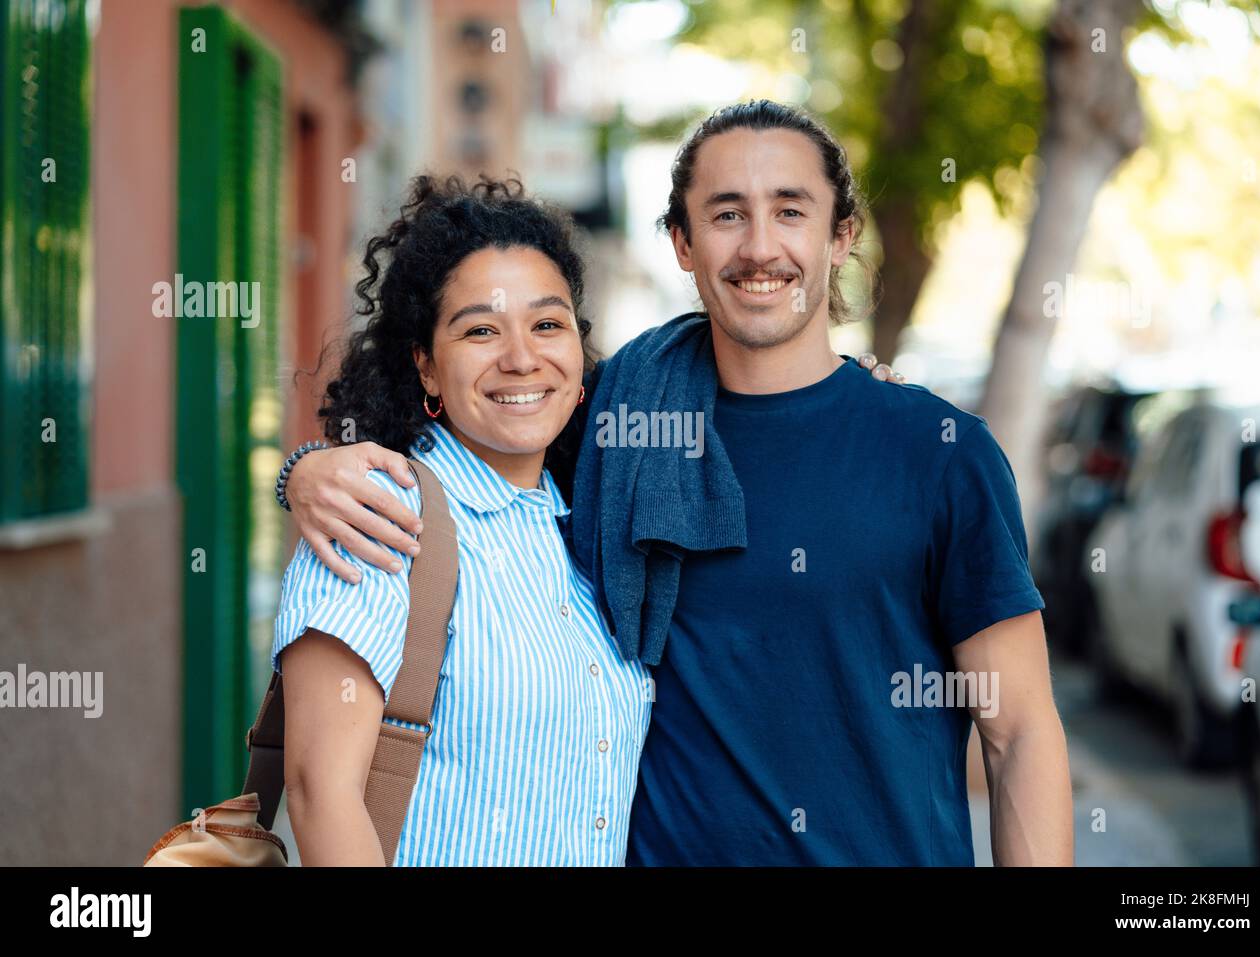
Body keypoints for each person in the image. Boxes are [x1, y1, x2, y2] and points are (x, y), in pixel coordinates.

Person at [281, 101, 1073, 866]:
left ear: (843, 236)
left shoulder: (939, 453)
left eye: (791, 211)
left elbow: (1021, 733)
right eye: (727, 213)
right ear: (682, 243)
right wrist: (306, 473)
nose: (760, 247)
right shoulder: (619, 432)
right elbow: (487, 432)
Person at [273, 173, 652, 866]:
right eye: (480, 329)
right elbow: (317, 792)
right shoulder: (382, 513)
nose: (521, 357)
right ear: (426, 365)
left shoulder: (585, 524)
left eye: (547, 324)